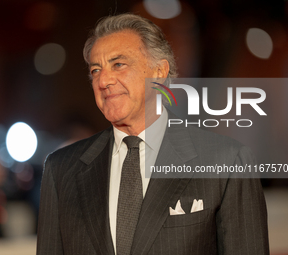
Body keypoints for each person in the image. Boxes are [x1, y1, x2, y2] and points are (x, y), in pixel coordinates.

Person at [36, 13, 269, 255]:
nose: (103, 80)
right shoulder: (61, 169)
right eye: (96, 70)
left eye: (118, 64)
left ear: (159, 72)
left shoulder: (227, 161)